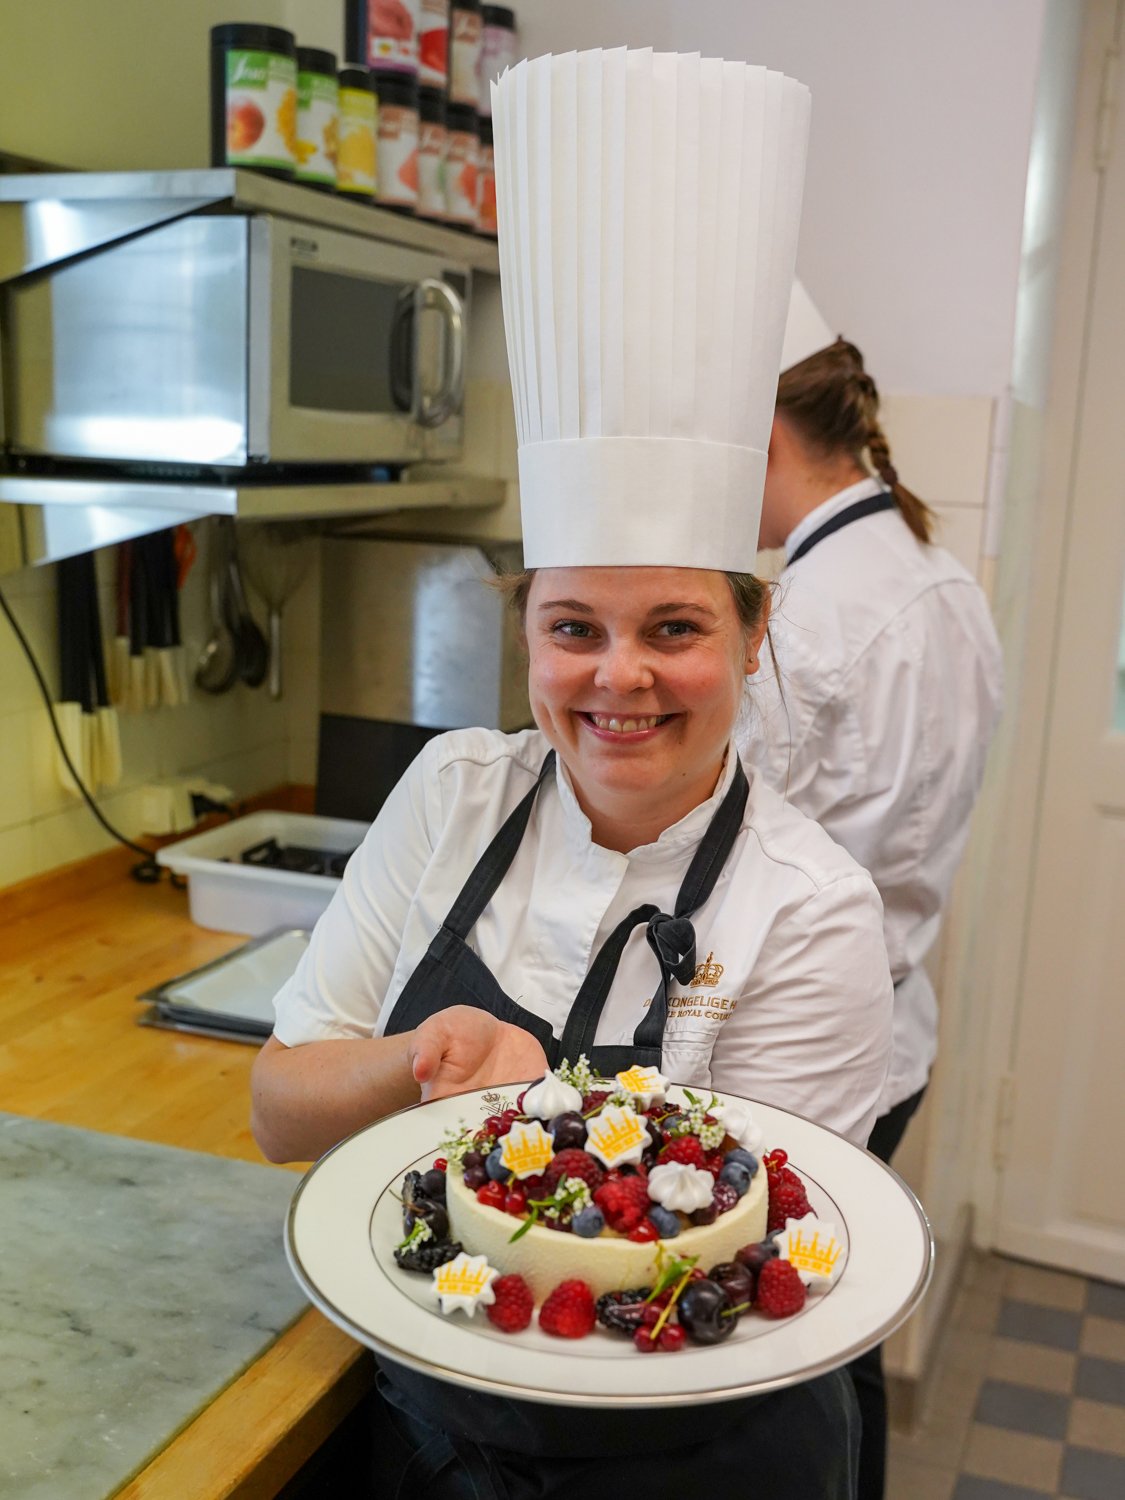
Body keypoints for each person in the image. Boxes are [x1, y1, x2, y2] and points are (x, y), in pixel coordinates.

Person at [253, 50, 893, 1500]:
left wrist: (538, 1113)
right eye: (573, 629)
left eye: (674, 628)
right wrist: (422, 1058)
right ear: (526, 635)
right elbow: (281, 1111)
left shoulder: (809, 909)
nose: (619, 678)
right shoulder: (452, 795)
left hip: (700, 1461)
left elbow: (755, 1266)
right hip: (425, 1431)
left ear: (751, 636)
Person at [738, 336, 1004, 1500]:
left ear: (764, 439)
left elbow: (718, 843)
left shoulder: (806, 616)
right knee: (841, 1335)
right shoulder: (944, 578)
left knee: (791, 1354)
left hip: (806, 1056)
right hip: (898, 1035)